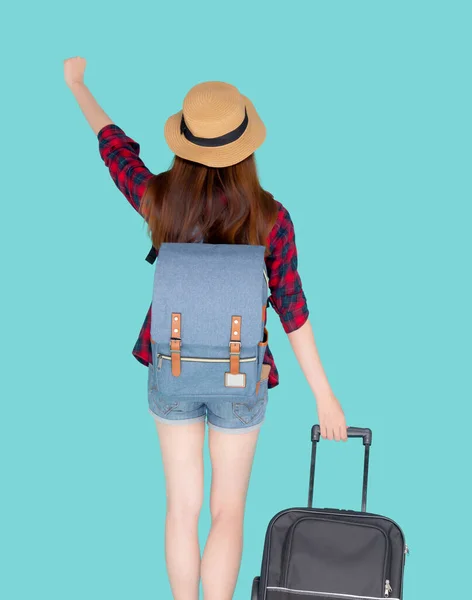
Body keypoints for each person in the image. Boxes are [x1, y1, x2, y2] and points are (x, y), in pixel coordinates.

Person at [64, 56, 348, 600]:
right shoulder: (271, 217)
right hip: (242, 377)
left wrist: (78, 85)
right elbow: (292, 307)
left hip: (171, 368)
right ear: (245, 146)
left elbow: (114, 151)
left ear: (184, 142)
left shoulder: (160, 201)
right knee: (227, 508)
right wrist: (324, 396)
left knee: (182, 506)